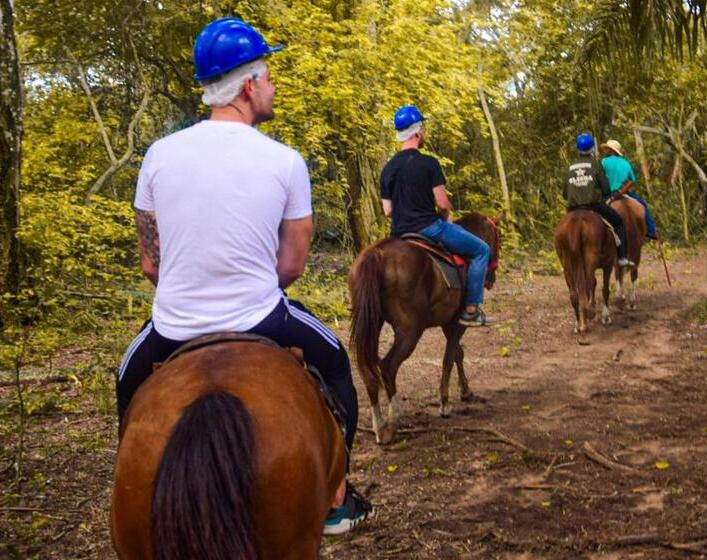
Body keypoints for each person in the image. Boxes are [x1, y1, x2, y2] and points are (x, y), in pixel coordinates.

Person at [116, 17, 371, 535]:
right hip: (262, 317)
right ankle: (335, 496)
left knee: (126, 382)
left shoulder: (159, 156)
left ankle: (130, 482)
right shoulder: (284, 160)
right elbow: (293, 265)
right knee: (337, 361)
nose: (273, 88)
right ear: (249, 85)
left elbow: (150, 263)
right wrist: (245, 286)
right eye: (270, 78)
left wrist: (191, 291)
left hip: (172, 325)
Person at [380, 105, 492, 327]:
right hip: (430, 228)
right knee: (482, 250)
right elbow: (442, 203)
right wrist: (445, 215)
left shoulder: (388, 168)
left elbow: (388, 211)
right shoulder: (429, 163)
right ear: (417, 132)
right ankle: (471, 309)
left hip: (399, 234)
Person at [563, 133, 634, 267]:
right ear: (591, 149)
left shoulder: (569, 166)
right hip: (594, 206)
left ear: (577, 148)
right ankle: (622, 257)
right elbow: (606, 189)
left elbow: (565, 194)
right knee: (619, 223)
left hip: (573, 208)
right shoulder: (596, 164)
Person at [600, 139, 658, 240]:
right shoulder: (626, 163)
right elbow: (632, 181)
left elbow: (599, 178)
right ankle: (651, 231)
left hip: (607, 194)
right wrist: (621, 191)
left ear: (611, 150)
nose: (605, 151)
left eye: (607, 149)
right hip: (623, 192)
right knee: (643, 205)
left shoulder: (604, 162)